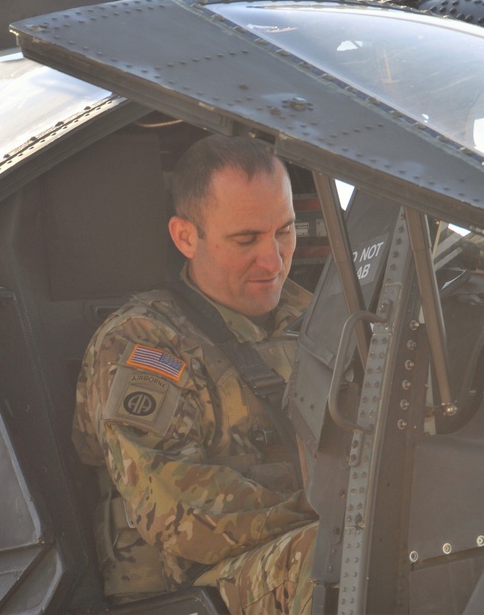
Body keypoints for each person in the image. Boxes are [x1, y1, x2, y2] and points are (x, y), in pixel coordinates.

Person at [72, 134, 318, 614]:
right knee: (338, 558)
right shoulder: (143, 343)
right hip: (188, 593)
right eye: (246, 239)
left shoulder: (318, 317)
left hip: (294, 545)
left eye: (285, 231)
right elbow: (177, 509)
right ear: (186, 236)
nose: (273, 260)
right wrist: (330, 511)